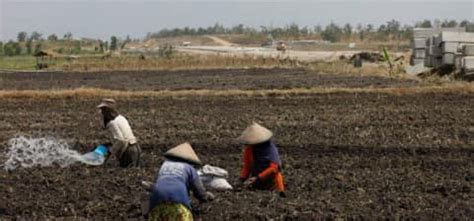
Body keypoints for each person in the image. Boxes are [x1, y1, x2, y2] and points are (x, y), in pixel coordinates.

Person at [148, 142, 214, 221]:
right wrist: (206, 197)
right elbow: (198, 191)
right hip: (177, 200)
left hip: (156, 198)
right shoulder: (189, 168)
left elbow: (160, 183)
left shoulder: (165, 165)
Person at [237, 122, 286, 197]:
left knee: (276, 175)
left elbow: (274, 168)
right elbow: (247, 166)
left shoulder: (270, 150)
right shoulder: (249, 149)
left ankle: (280, 191)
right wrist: (242, 179)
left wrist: (258, 177)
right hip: (256, 180)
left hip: (271, 182)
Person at [97, 98, 141, 167]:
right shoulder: (121, 118)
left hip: (128, 151)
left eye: (103, 110)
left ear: (108, 111)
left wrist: (110, 152)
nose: (102, 112)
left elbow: (121, 140)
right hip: (136, 148)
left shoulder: (112, 123)